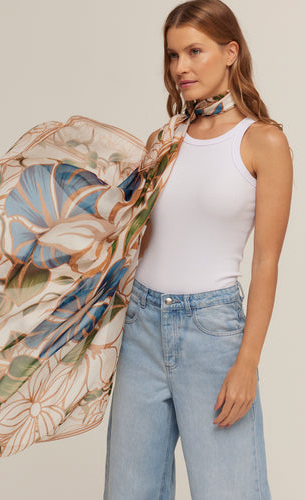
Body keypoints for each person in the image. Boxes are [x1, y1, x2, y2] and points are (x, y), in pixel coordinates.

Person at [103, 1, 293, 499]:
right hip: (141, 328)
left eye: (194, 52)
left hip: (212, 333)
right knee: (128, 492)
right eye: (172, 55)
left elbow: (267, 262)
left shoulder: (263, 142)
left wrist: (247, 362)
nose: (180, 67)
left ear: (230, 52)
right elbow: (140, 240)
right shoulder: (165, 141)